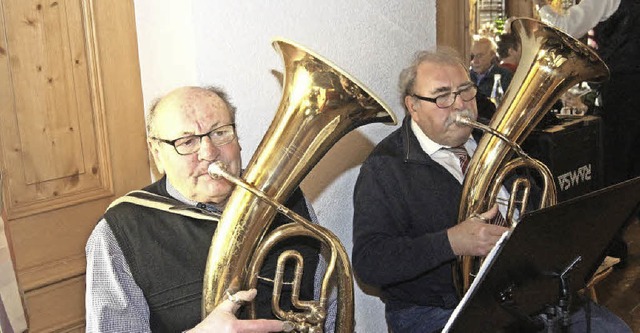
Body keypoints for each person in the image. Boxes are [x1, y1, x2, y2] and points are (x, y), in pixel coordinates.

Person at [351, 48, 632, 333]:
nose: (459, 105)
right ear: (413, 106)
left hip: (525, 291)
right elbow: (369, 261)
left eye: (465, 90)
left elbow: (538, 205)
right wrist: (452, 242)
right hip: (437, 310)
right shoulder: (386, 167)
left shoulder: (493, 138)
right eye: (442, 95)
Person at [85, 86, 336, 332]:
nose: (209, 153)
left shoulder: (284, 199)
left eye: (220, 133)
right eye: (187, 141)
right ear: (157, 153)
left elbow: (328, 308)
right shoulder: (121, 231)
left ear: (237, 139)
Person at [534, 0, 640, 267]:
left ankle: (609, 244)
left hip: (624, 90)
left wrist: (542, 5)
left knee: (615, 171)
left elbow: (563, 28)